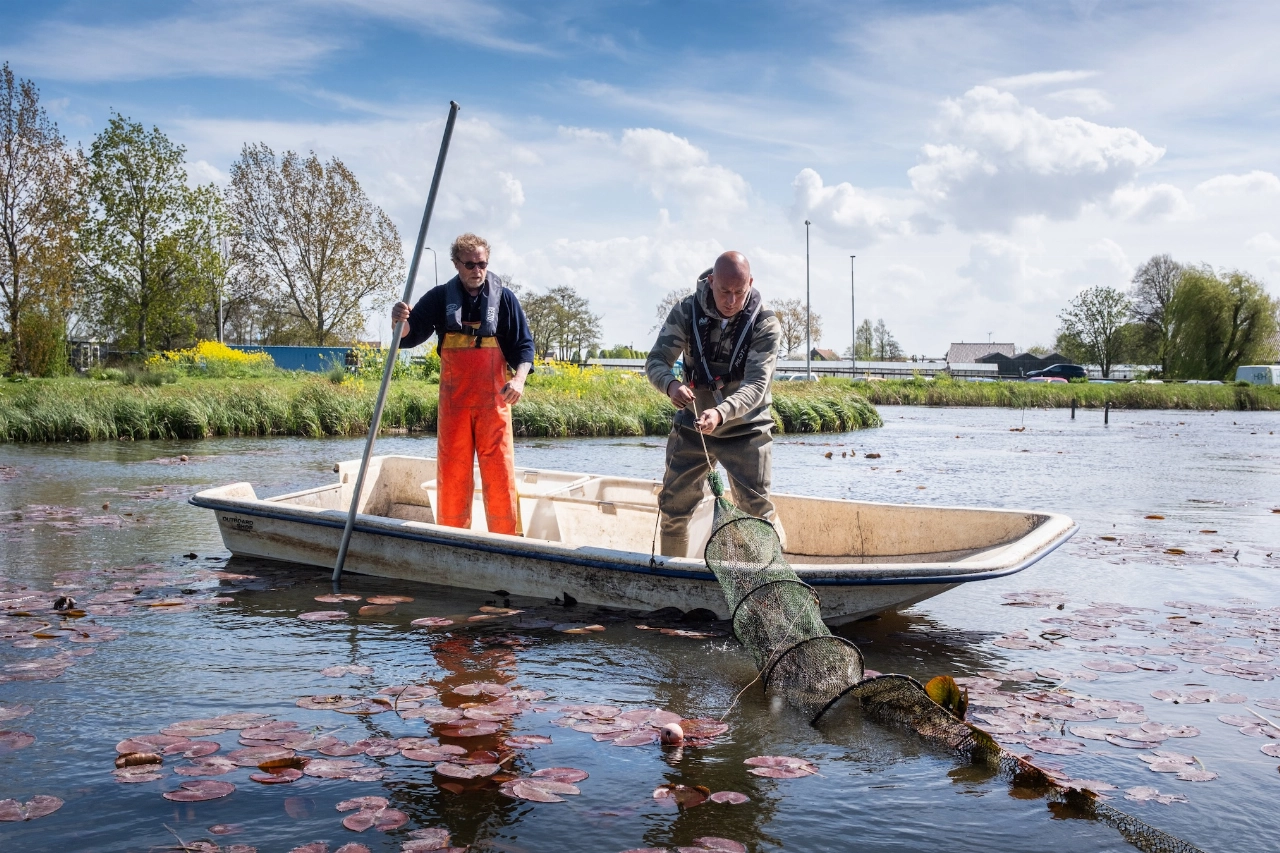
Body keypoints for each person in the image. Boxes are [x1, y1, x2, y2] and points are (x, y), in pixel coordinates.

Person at [392, 233, 534, 535]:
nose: (476, 270)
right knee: (453, 474)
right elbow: (408, 334)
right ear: (456, 264)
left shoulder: (504, 298)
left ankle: (507, 540)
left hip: (494, 405)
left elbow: (524, 346)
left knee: (499, 474)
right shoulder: (439, 297)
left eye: (482, 263)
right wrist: (399, 322)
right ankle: (452, 538)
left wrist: (519, 379)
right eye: (469, 264)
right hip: (454, 406)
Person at [646, 251, 783, 557]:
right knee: (673, 508)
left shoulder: (765, 323)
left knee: (756, 511)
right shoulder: (686, 310)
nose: (731, 301)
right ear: (711, 282)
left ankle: (771, 575)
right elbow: (656, 360)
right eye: (724, 292)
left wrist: (720, 413)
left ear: (750, 283)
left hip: (746, 428)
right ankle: (674, 582)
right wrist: (671, 384)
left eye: (739, 292)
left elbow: (757, 386)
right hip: (693, 425)